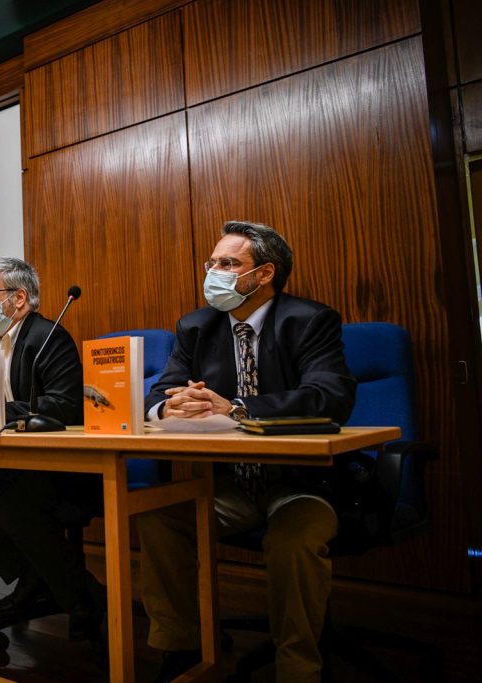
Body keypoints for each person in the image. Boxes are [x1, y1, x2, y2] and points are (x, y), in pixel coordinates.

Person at [139, 221, 356, 683]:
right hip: (229, 487)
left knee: (293, 538)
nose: (213, 272)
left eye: (228, 263)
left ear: (264, 274)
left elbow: (330, 395)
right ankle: (182, 647)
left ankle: (297, 669)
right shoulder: (196, 326)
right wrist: (166, 405)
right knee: (158, 517)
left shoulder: (309, 320)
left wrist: (238, 407)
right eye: (211, 263)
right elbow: (155, 392)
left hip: (302, 484)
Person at [0, 257, 103, 642]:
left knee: (14, 506)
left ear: (19, 298)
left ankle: (84, 598)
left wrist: (0, 411)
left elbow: (66, 405)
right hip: (9, 462)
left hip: (60, 465)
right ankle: (38, 578)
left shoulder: (48, 336)